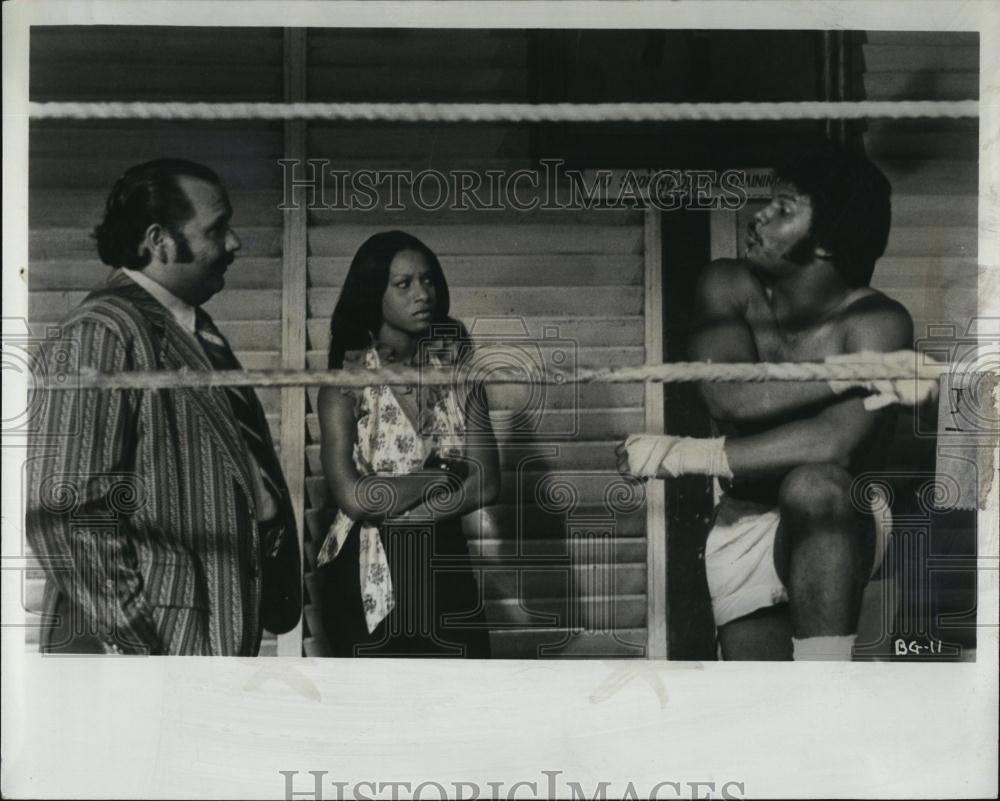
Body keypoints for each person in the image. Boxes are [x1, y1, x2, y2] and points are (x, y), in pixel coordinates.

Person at [618, 146, 936, 661]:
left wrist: (678, 456)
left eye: (783, 209)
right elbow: (727, 394)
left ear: (828, 241)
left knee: (813, 484)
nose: (756, 216)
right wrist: (847, 372)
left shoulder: (879, 321)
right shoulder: (728, 284)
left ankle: (825, 691)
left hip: (838, 524)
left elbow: (833, 445)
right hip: (742, 523)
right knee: (759, 709)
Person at [26, 158, 301, 655]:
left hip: (202, 644)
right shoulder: (101, 333)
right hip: (153, 660)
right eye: (217, 229)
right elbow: (64, 514)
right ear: (159, 241)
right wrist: (143, 648)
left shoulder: (194, 333)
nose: (234, 243)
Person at [316, 231, 497, 657]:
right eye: (404, 284)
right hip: (365, 571)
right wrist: (445, 475)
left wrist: (409, 516)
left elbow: (487, 484)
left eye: (429, 280)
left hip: (444, 561)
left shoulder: (461, 378)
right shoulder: (344, 386)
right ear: (372, 293)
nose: (423, 294)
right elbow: (356, 497)